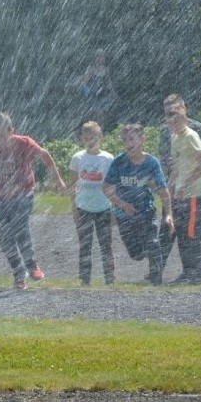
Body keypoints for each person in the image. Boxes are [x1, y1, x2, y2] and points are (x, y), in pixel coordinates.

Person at [0, 112, 66, 290]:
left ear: (10, 130)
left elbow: (45, 155)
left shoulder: (24, 143)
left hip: (24, 194)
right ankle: (18, 273)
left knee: (20, 229)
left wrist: (58, 180)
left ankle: (31, 264)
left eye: (0, 135)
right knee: (5, 240)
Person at [158, 94, 201, 280]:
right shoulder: (166, 131)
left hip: (197, 181)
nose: (171, 117)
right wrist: (169, 166)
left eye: (174, 112)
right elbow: (165, 158)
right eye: (167, 113)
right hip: (176, 181)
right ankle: (184, 270)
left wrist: (190, 155)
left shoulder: (195, 129)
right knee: (173, 227)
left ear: (183, 109)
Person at [103, 124, 173, 285]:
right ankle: (147, 252)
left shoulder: (151, 163)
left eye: (132, 139)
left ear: (142, 139)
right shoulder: (119, 162)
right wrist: (122, 204)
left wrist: (168, 214)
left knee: (153, 244)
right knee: (136, 254)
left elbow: (163, 191)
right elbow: (106, 187)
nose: (128, 143)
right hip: (124, 216)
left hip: (146, 212)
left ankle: (156, 282)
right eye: (125, 140)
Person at [164, 105, 201, 284]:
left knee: (192, 232)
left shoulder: (191, 136)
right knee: (182, 233)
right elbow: (177, 165)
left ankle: (199, 273)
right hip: (181, 193)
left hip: (196, 193)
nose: (174, 124)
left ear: (185, 119)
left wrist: (186, 184)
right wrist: (170, 184)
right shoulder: (174, 137)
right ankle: (189, 271)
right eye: (171, 121)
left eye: (178, 120)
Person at [68, 121, 115, 286]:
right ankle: (84, 278)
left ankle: (109, 278)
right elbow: (72, 186)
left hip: (104, 207)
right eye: (86, 138)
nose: (90, 141)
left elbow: (113, 185)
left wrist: (114, 208)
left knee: (105, 244)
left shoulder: (108, 158)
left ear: (100, 137)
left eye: (93, 137)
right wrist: (74, 209)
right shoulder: (78, 158)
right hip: (83, 208)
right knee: (85, 245)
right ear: (82, 139)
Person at [78, 49, 119, 129]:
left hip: (102, 94)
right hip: (92, 95)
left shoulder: (106, 69)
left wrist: (114, 94)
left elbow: (108, 84)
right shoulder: (91, 69)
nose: (101, 59)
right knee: (97, 112)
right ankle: (92, 130)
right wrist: (88, 92)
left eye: (103, 56)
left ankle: (101, 130)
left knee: (105, 113)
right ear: (95, 58)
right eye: (99, 56)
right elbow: (84, 82)